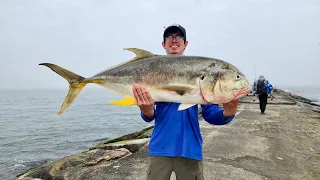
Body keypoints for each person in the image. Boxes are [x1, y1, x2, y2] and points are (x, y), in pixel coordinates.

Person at [131, 23, 239, 180]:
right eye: (169, 36)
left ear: (185, 43)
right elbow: (149, 114)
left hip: (189, 148)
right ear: (163, 44)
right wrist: (146, 111)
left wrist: (228, 112)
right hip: (160, 147)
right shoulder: (155, 72)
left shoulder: (199, 72)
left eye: (179, 36)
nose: (174, 40)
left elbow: (209, 114)